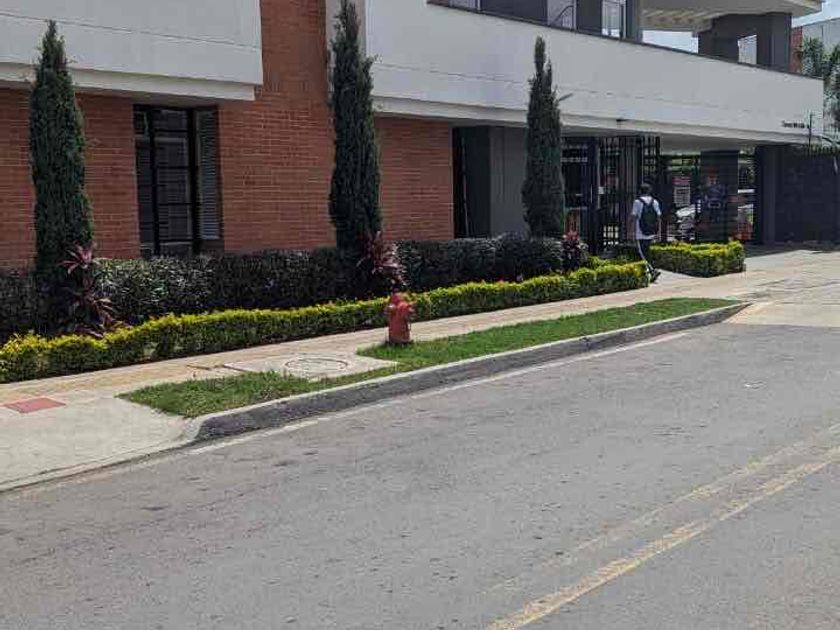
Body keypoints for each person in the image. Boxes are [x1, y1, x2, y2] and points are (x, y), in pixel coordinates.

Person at [631, 183, 662, 282]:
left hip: (640, 232)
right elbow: (659, 217)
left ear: (640, 191)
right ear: (649, 191)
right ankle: (649, 270)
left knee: (642, 253)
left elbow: (634, 217)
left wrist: (632, 232)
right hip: (651, 231)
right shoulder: (655, 202)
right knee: (647, 252)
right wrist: (659, 232)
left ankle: (652, 270)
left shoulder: (637, 202)